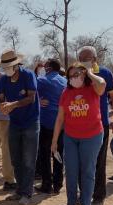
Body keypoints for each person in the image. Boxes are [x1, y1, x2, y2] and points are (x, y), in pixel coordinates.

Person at [52, 62, 106, 205]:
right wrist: (54, 140)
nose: (73, 78)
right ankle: (70, 203)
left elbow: (102, 84)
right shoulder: (66, 92)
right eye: (70, 76)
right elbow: (60, 118)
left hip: (92, 136)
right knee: (71, 170)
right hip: (71, 137)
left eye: (77, 74)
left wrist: (90, 73)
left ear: (83, 74)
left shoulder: (93, 88)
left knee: (87, 171)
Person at [78, 46, 113, 205]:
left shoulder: (105, 73)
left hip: (100, 125)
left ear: (95, 59)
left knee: (98, 162)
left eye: (86, 58)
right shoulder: (76, 74)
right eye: (81, 58)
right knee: (82, 162)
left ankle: (98, 195)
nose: (83, 61)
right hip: (80, 125)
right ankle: (84, 193)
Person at [0, 49, 39, 205]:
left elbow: (31, 97)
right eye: (4, 67)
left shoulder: (28, 75)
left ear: (16, 65)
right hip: (14, 122)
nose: (7, 69)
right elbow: (0, 99)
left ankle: (27, 193)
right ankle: (20, 189)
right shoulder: (3, 80)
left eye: (9, 66)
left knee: (28, 159)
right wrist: (2, 106)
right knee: (15, 158)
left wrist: (13, 104)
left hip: (30, 122)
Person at [35, 58, 67, 194]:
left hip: (46, 122)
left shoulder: (42, 80)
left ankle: (47, 184)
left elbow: (30, 93)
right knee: (58, 153)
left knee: (44, 154)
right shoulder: (65, 81)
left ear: (48, 68)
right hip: (62, 124)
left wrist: (38, 100)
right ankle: (58, 184)